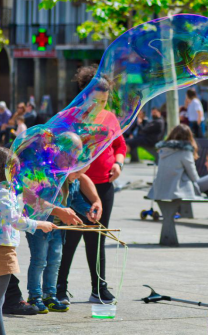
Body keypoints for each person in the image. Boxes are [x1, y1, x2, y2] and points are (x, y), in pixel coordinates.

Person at [57, 65, 125, 305]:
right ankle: (59, 288)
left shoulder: (110, 117)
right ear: (84, 95)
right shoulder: (70, 117)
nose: (101, 105)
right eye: (96, 100)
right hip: (74, 187)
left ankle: (99, 288)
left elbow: (120, 146)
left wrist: (118, 164)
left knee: (98, 239)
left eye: (105, 101)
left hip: (104, 185)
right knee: (70, 238)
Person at [0, 147, 57, 335]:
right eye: (13, 170)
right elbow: (16, 220)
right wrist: (40, 224)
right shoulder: (2, 194)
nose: (16, 174)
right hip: (1, 249)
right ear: (3, 170)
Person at [26, 165, 92, 314]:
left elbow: (76, 200)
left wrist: (88, 210)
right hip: (41, 226)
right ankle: (35, 297)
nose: (77, 176)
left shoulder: (73, 182)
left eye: (82, 174)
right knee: (39, 261)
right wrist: (60, 210)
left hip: (57, 229)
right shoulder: (49, 179)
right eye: (77, 173)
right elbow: (36, 202)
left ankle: (50, 295)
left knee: (55, 261)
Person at [148, 125, 208, 201]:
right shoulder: (185, 152)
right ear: (189, 137)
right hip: (178, 190)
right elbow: (194, 177)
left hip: (158, 190)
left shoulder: (163, 150)